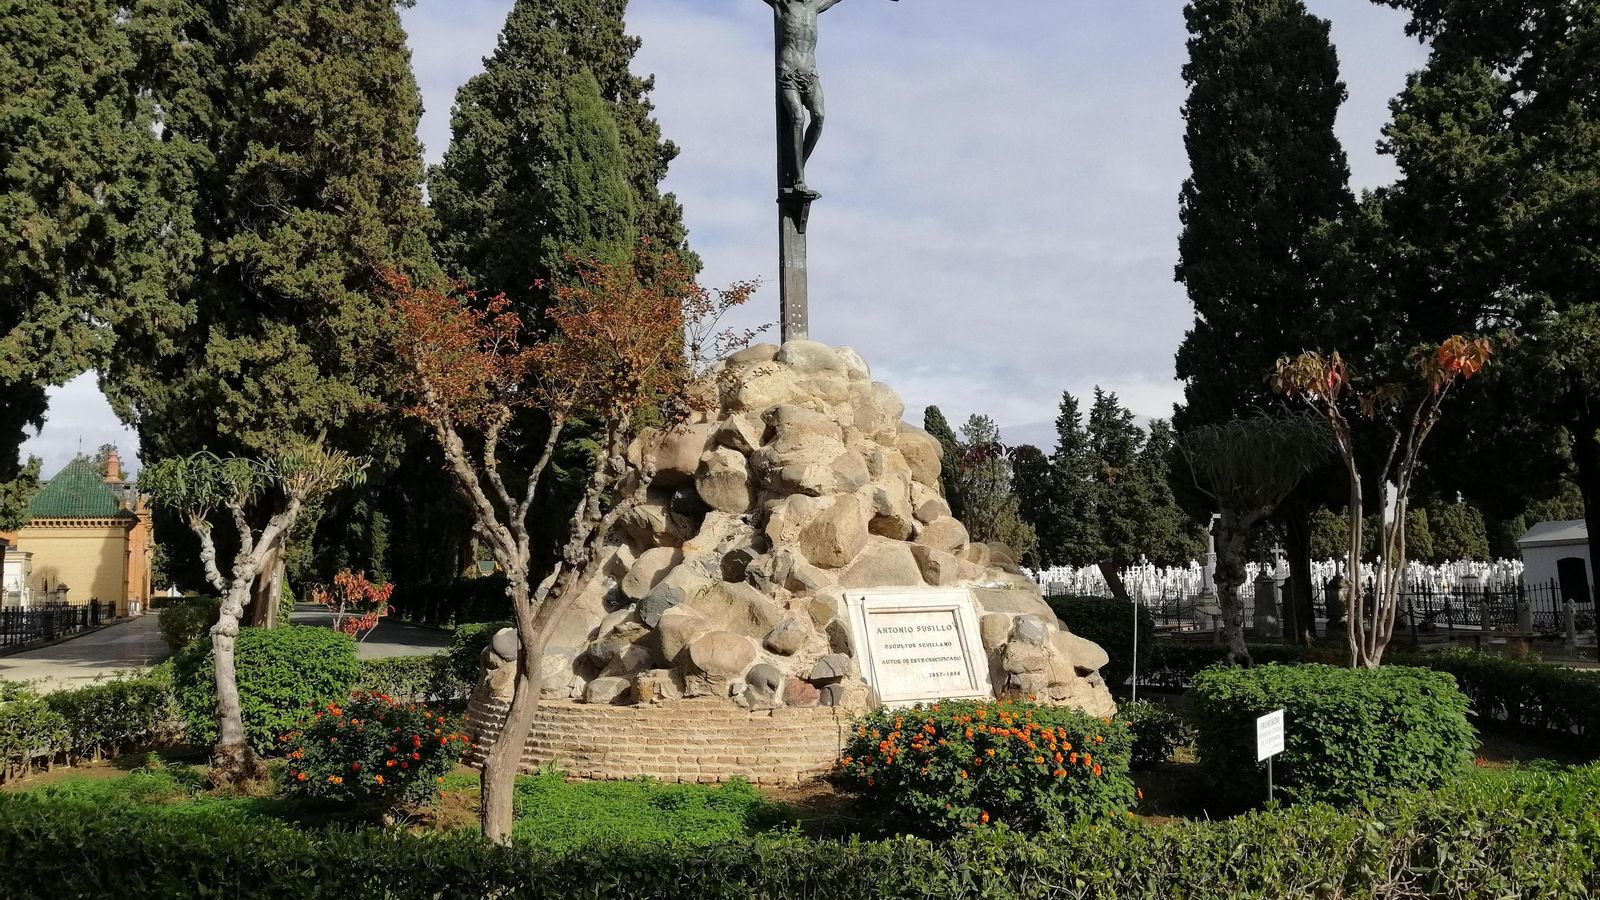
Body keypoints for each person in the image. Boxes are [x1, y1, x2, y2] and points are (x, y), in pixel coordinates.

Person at [762, 0, 854, 199]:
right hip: (789, 72)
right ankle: (799, 177)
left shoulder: (814, 5)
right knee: (798, 118)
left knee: (819, 117)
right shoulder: (783, 3)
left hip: (810, 73)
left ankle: (797, 167)